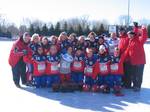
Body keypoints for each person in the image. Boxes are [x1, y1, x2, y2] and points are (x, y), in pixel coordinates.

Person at [124, 24, 147, 92]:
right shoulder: (130, 41)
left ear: (133, 35)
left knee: (139, 74)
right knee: (134, 74)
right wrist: (136, 28)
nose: (130, 36)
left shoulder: (139, 40)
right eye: (129, 35)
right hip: (133, 61)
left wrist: (143, 29)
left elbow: (144, 37)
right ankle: (134, 85)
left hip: (140, 61)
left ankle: (138, 86)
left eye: (131, 34)